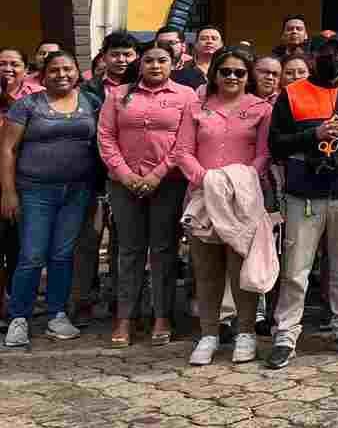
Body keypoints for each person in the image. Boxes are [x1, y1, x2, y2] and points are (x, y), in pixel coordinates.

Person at [267, 34, 338, 368]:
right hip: (306, 193)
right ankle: (285, 335)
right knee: (296, 269)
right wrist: (313, 135)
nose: (333, 59)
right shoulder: (292, 93)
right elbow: (277, 145)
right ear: (312, 57)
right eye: (326, 54)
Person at [176, 47, 272, 365]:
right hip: (203, 197)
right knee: (206, 270)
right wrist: (206, 180)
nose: (232, 77)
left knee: (240, 268)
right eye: (226, 71)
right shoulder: (196, 108)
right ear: (214, 73)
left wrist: (239, 182)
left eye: (239, 72)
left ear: (248, 77)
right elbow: (182, 151)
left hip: (244, 200)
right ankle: (209, 334)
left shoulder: (260, 109)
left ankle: (245, 332)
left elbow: (263, 153)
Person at [98, 40, 197, 347]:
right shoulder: (118, 95)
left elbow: (184, 143)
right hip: (124, 184)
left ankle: (162, 315)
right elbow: (105, 136)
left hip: (167, 182)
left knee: (164, 250)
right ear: (139, 64)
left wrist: (156, 174)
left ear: (174, 64)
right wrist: (126, 175)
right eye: (150, 60)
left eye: (162, 60)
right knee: (129, 251)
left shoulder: (186, 95)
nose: (155, 66)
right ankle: (126, 317)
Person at [1, 51, 100, 346]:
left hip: (77, 191)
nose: (62, 75)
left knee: (62, 255)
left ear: (77, 72)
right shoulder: (27, 105)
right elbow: (7, 150)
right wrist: (8, 193)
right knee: (32, 255)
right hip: (35, 191)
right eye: (55, 70)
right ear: (43, 74)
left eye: (67, 69)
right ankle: (19, 317)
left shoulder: (90, 103)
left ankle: (57, 314)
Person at [76, 31, 140, 319]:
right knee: (88, 240)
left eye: (128, 54)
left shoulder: (141, 88)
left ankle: (121, 299)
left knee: (124, 242)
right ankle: (83, 300)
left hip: (130, 176)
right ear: (103, 57)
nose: (122, 59)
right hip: (92, 174)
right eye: (116, 54)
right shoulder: (87, 91)